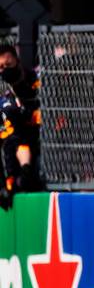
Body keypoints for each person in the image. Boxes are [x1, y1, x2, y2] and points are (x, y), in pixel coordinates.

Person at [0, 43, 41, 208]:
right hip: (21, 143)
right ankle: (13, 181)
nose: (4, 70)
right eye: (1, 67)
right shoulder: (5, 98)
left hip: (46, 138)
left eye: (8, 65)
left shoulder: (37, 79)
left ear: (17, 61)